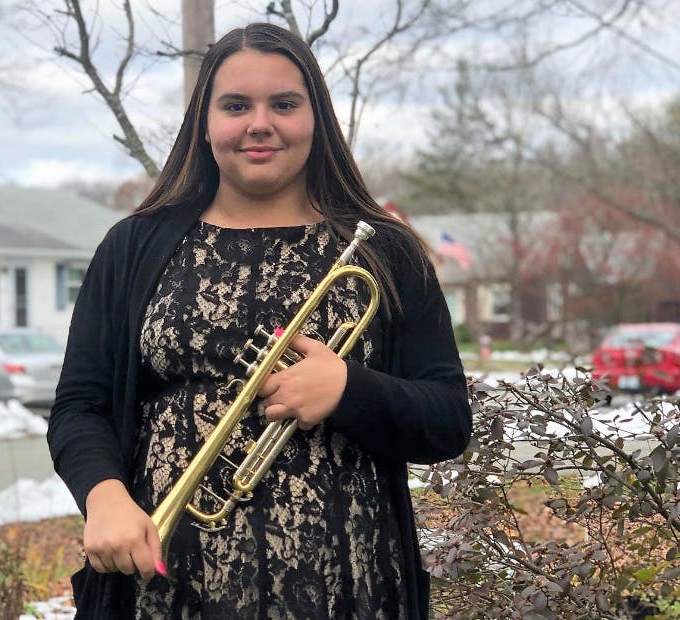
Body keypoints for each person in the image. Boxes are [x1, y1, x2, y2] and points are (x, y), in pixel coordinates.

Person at [48, 22, 471, 620]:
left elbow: (449, 418)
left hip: (345, 584)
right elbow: (79, 405)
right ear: (205, 122)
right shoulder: (132, 246)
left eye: (285, 104)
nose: (260, 123)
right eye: (236, 105)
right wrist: (103, 495)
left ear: (316, 118)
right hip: (166, 583)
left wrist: (352, 389)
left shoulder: (386, 251)